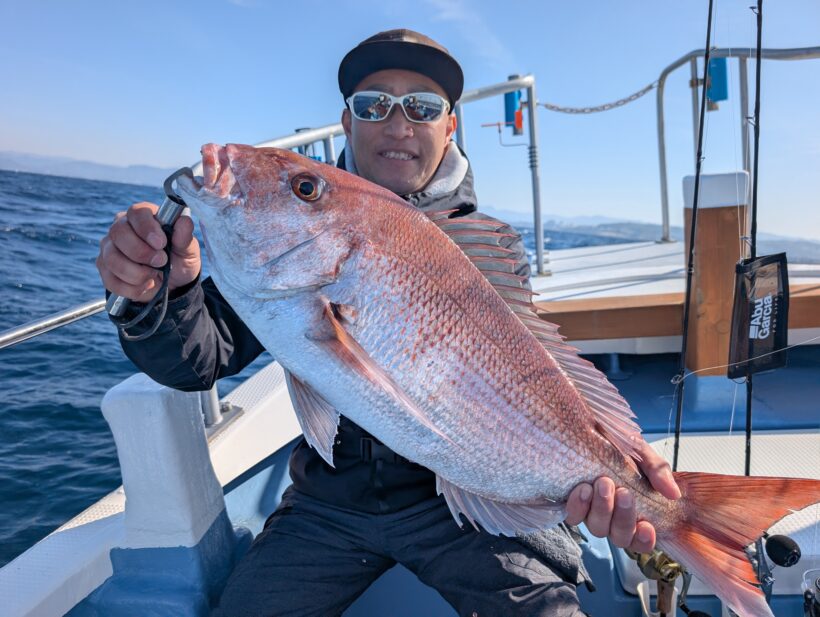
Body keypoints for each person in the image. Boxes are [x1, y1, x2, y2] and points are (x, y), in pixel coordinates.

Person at [97, 29, 680, 617]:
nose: (398, 125)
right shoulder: (273, 263)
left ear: (449, 128)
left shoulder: (491, 246)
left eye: (421, 107)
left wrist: (618, 459)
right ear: (347, 123)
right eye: (374, 105)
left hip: (464, 495)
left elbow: (533, 377)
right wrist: (161, 295)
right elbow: (199, 360)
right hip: (331, 498)